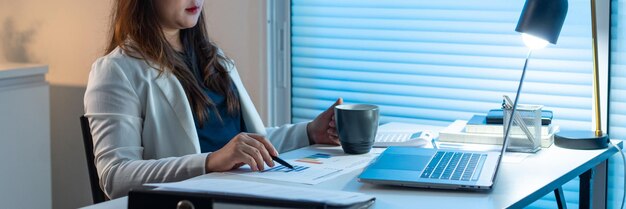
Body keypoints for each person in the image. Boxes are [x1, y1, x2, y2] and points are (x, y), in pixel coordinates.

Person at [84, 0, 342, 199]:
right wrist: (211, 161)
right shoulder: (116, 70)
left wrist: (310, 132)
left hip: (244, 193)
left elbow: (247, 145)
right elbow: (115, 176)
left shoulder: (214, 59)